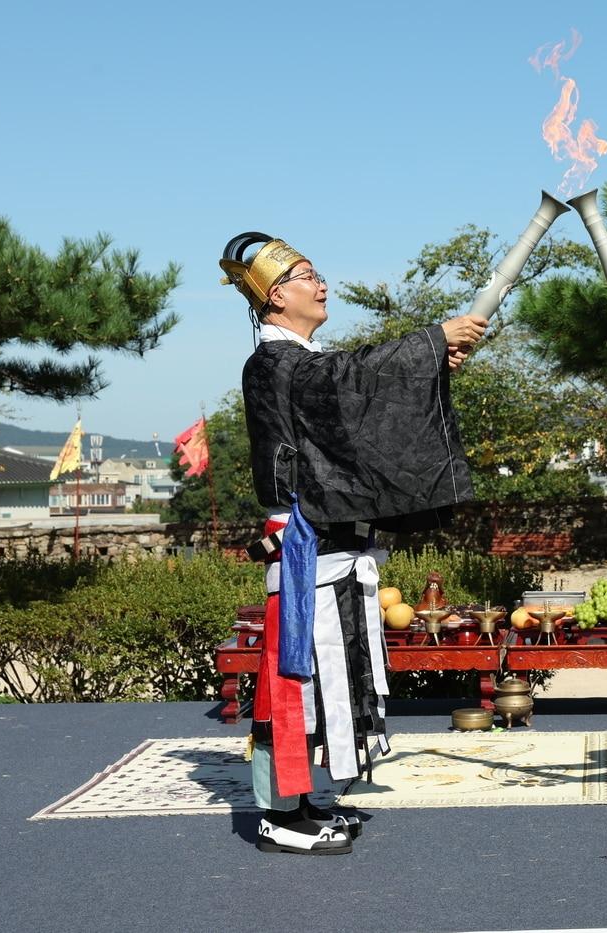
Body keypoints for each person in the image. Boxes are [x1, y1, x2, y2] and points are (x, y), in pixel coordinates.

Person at [221, 233, 486, 854]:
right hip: (305, 548)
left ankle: (307, 796)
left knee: (330, 676)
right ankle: (278, 815)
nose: (323, 285)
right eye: (309, 276)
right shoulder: (274, 363)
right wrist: (429, 342)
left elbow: (358, 392)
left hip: (337, 548)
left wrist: (426, 370)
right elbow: (349, 377)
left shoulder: (303, 360)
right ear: (277, 295)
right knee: (296, 677)